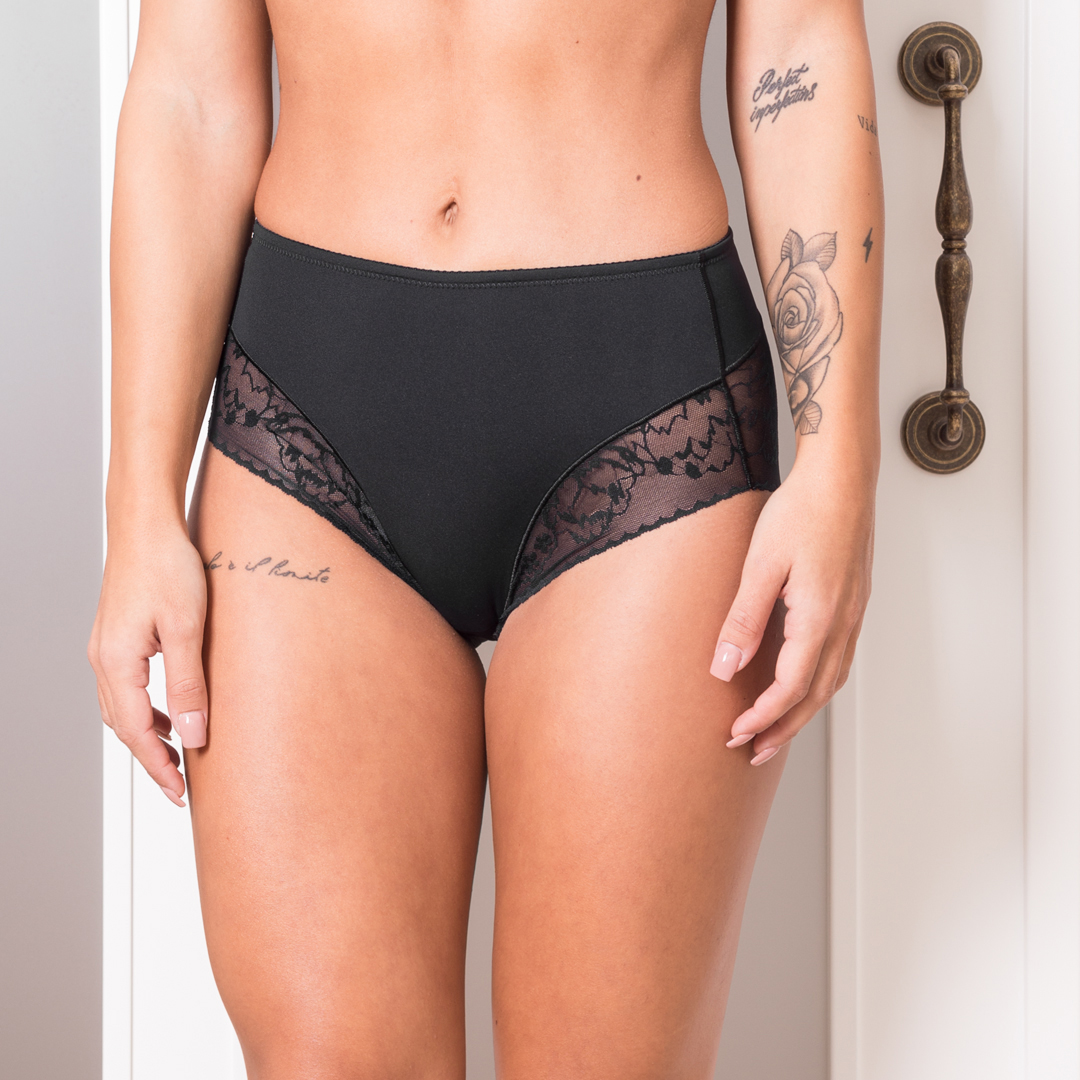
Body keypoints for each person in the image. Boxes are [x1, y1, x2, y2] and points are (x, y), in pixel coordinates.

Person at [89, 0, 881, 1075]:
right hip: (304, 412)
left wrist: (840, 466)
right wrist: (138, 506)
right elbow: (187, 92)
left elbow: (800, 48)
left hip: (651, 413)